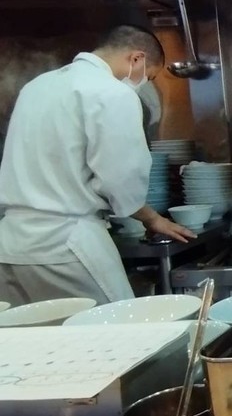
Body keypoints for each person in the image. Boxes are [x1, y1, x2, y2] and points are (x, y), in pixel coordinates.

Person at [0, 25, 196, 306]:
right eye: (149, 77)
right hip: (65, 245)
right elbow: (121, 178)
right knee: (118, 335)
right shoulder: (113, 93)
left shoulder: (36, 86)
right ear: (136, 59)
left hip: (10, 245)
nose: (144, 83)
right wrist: (152, 219)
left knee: (35, 343)